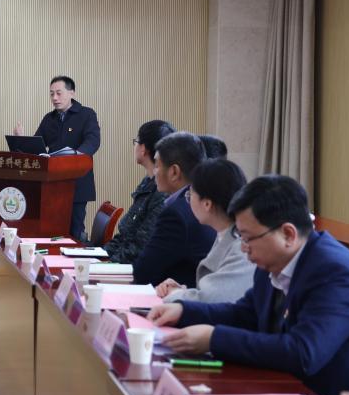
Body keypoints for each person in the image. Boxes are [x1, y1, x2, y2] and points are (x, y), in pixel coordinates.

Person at [149, 175, 349, 395]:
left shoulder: (334, 272)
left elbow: (303, 353)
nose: (244, 248)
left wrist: (214, 339)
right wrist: (183, 311)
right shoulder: (272, 261)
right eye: (240, 237)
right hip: (291, 391)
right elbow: (247, 314)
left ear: (288, 234)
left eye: (248, 238)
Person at [156, 158, 254, 302]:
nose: (188, 201)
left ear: (207, 204)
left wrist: (176, 294)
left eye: (190, 195)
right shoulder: (224, 233)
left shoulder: (242, 246)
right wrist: (183, 291)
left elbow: (213, 299)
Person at [15, 75, 100, 240]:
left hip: (77, 184)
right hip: (51, 185)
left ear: (72, 93)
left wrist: (75, 157)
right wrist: (21, 139)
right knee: (52, 232)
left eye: (59, 93)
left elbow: (93, 141)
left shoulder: (87, 114)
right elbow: (37, 148)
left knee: (74, 232)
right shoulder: (49, 118)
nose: (54, 98)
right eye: (51, 94)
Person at [132, 131, 215, 286]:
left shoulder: (177, 213)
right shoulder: (207, 200)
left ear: (174, 172)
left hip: (178, 296)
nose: (154, 172)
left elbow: (143, 272)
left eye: (157, 165)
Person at [103, 120, 175, 263]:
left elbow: (139, 247)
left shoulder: (162, 193)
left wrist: (108, 265)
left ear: (143, 149)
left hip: (135, 269)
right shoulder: (147, 182)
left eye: (136, 141)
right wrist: (97, 257)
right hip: (122, 263)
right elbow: (125, 236)